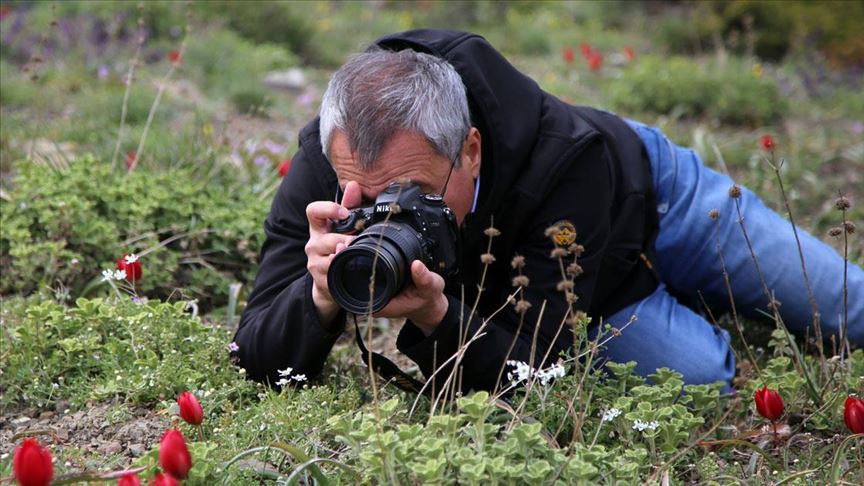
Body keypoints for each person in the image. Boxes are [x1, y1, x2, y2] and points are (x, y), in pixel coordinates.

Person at [232, 29, 863, 393]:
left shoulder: (565, 158)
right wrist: (319, 296)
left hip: (656, 198)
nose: (381, 211)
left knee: (842, 304)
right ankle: (698, 307)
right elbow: (253, 351)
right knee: (703, 378)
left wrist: (440, 314)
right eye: (364, 197)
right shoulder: (332, 163)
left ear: (470, 150)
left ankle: (692, 279)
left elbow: (537, 361)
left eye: (411, 192)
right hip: (547, 276)